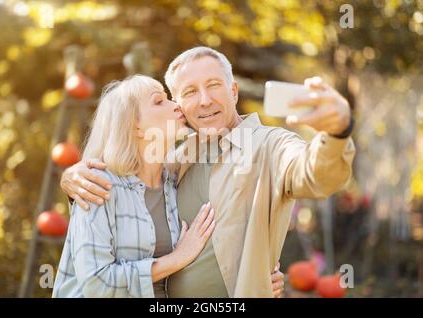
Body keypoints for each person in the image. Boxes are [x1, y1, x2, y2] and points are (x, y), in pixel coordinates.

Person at [60, 46, 355, 297]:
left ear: (234, 91)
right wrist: (71, 177)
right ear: (180, 106)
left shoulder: (270, 146)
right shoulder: (175, 160)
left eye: (213, 85)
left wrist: (337, 132)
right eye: (189, 92)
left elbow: (315, 175)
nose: (204, 100)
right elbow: (125, 183)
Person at [52, 75, 216, 298]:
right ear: (135, 127)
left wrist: (262, 276)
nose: (176, 105)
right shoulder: (97, 185)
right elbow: (96, 284)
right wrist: (177, 258)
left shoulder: (177, 180)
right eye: (159, 101)